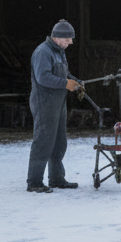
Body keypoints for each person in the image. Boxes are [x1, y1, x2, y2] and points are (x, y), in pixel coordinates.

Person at [26, 20, 83, 193]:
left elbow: (63, 74)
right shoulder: (43, 52)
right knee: (43, 141)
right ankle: (34, 182)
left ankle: (56, 179)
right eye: (69, 39)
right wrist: (66, 83)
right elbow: (43, 77)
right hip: (44, 102)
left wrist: (76, 81)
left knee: (59, 142)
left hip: (58, 102)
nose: (71, 42)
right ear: (58, 37)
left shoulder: (59, 52)